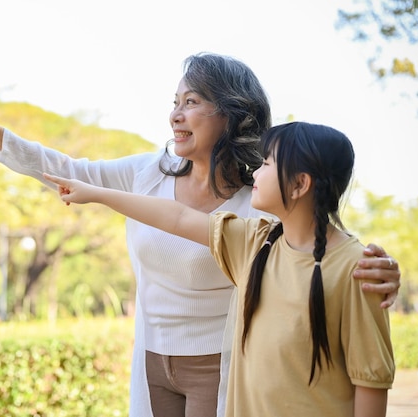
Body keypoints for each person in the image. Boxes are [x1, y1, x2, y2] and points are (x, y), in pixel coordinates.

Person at [0, 53, 401, 417]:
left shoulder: (256, 204)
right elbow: (74, 173)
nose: (176, 115)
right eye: (174, 102)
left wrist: (381, 272)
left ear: (232, 114)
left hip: (220, 362)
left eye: (192, 102)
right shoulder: (147, 173)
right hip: (152, 355)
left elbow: (317, 237)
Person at [43, 121, 396, 417]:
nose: (256, 172)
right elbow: (178, 217)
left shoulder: (358, 268)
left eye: (268, 164)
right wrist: (97, 194)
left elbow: (370, 382)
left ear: (300, 184)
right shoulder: (255, 242)